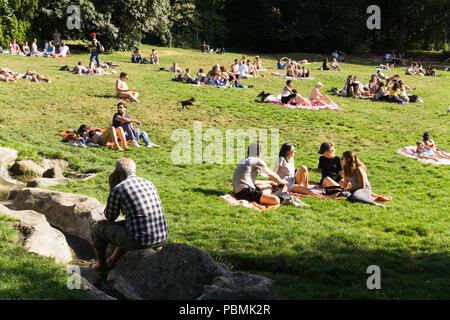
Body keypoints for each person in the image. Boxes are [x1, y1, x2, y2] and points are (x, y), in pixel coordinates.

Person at [90, 158, 168, 272]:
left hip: (140, 241)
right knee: (127, 224)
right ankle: (112, 259)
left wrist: (111, 188)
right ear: (134, 171)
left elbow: (110, 216)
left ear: (117, 174)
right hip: (162, 236)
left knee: (97, 229)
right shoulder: (148, 182)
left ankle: (100, 265)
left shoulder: (118, 189)